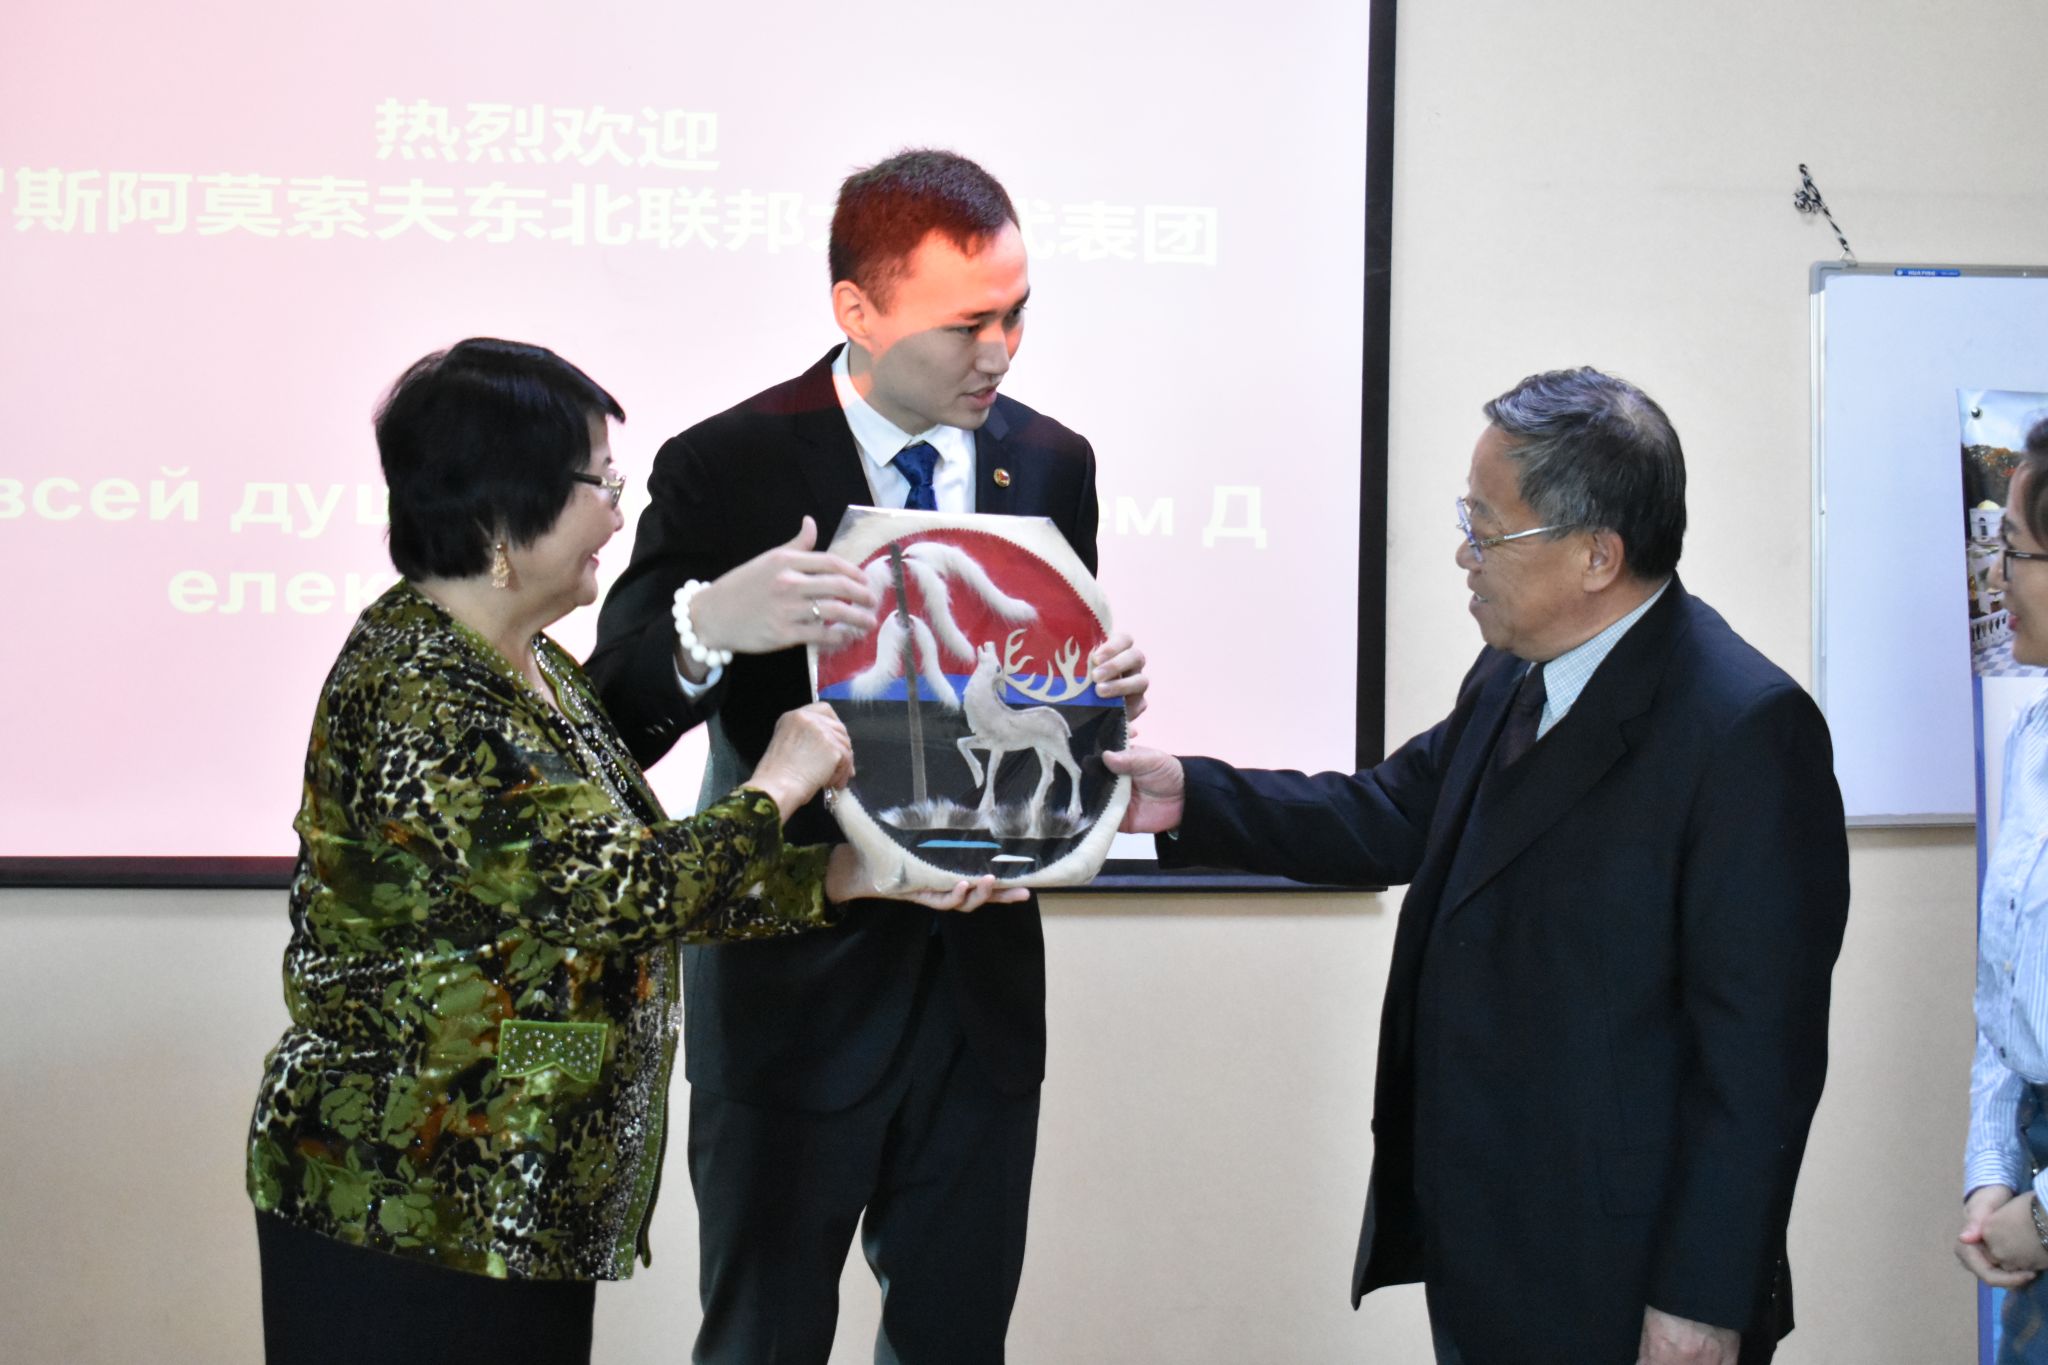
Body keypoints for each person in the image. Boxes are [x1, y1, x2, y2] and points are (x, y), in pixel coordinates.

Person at [245, 338, 1016, 1365]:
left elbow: (633, 870)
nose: (617, 515)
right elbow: (623, 893)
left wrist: (847, 874)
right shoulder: (421, 688)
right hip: (404, 1191)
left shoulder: (527, 667)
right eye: (600, 484)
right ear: (503, 510)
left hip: (518, 1189)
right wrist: (779, 782)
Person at [1106, 367, 1850, 1365]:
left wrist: (1698, 1300)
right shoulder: (1515, 669)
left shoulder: (1743, 730)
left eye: (1486, 529)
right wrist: (1190, 797)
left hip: (1628, 1279)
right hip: (1494, 1242)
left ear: (1596, 555)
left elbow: (1758, 1063)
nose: (1463, 553)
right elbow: (1392, 813)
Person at [587, 149, 1147, 1364]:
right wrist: (706, 627)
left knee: (956, 1338)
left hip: (979, 995)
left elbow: (1042, 681)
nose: (1000, 351)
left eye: (1016, 314)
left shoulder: (1052, 462)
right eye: (966, 325)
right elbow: (613, 718)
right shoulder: (726, 463)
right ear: (858, 309)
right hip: (790, 990)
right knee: (762, 1338)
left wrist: (1104, 698)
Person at [1957, 418, 2048, 1359]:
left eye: (2014, 552)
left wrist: (2047, 1214)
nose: (1995, 577)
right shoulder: (2033, 740)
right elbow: (2004, 1003)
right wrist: (1992, 1172)